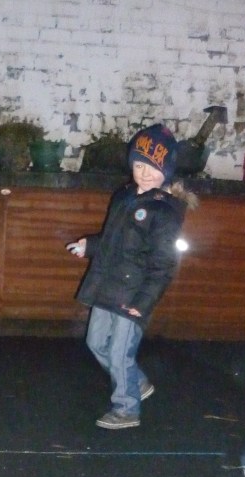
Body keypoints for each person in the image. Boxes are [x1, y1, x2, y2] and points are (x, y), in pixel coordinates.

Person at [67, 123, 197, 429]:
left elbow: (163, 265)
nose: (145, 172)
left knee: (119, 352)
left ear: (166, 169)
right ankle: (136, 382)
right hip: (108, 286)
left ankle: (126, 408)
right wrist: (89, 245)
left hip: (134, 294)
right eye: (139, 164)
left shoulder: (165, 212)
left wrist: (143, 302)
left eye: (153, 166)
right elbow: (112, 238)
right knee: (96, 342)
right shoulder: (124, 196)